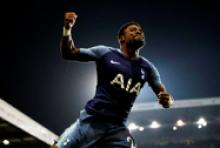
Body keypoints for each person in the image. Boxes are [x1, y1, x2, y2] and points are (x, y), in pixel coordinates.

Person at [52, 11, 174, 148]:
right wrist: (67, 29)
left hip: (117, 128)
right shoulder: (105, 52)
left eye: (141, 31)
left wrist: (167, 100)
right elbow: (69, 53)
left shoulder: (148, 68)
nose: (139, 32)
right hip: (92, 121)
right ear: (121, 38)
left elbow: (166, 98)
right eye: (133, 30)